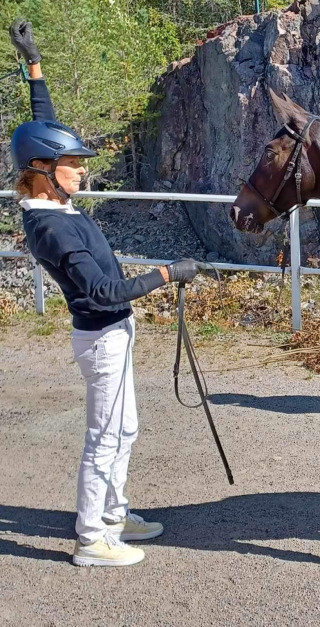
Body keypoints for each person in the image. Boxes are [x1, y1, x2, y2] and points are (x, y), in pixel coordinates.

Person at [9, 19, 199, 567]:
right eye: (72, 166)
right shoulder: (54, 229)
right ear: (43, 172)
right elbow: (105, 288)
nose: (80, 171)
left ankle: (115, 515)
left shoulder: (51, 198)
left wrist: (34, 65)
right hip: (101, 338)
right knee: (104, 438)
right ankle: (92, 538)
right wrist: (167, 275)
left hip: (113, 334)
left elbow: (42, 124)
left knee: (126, 427)